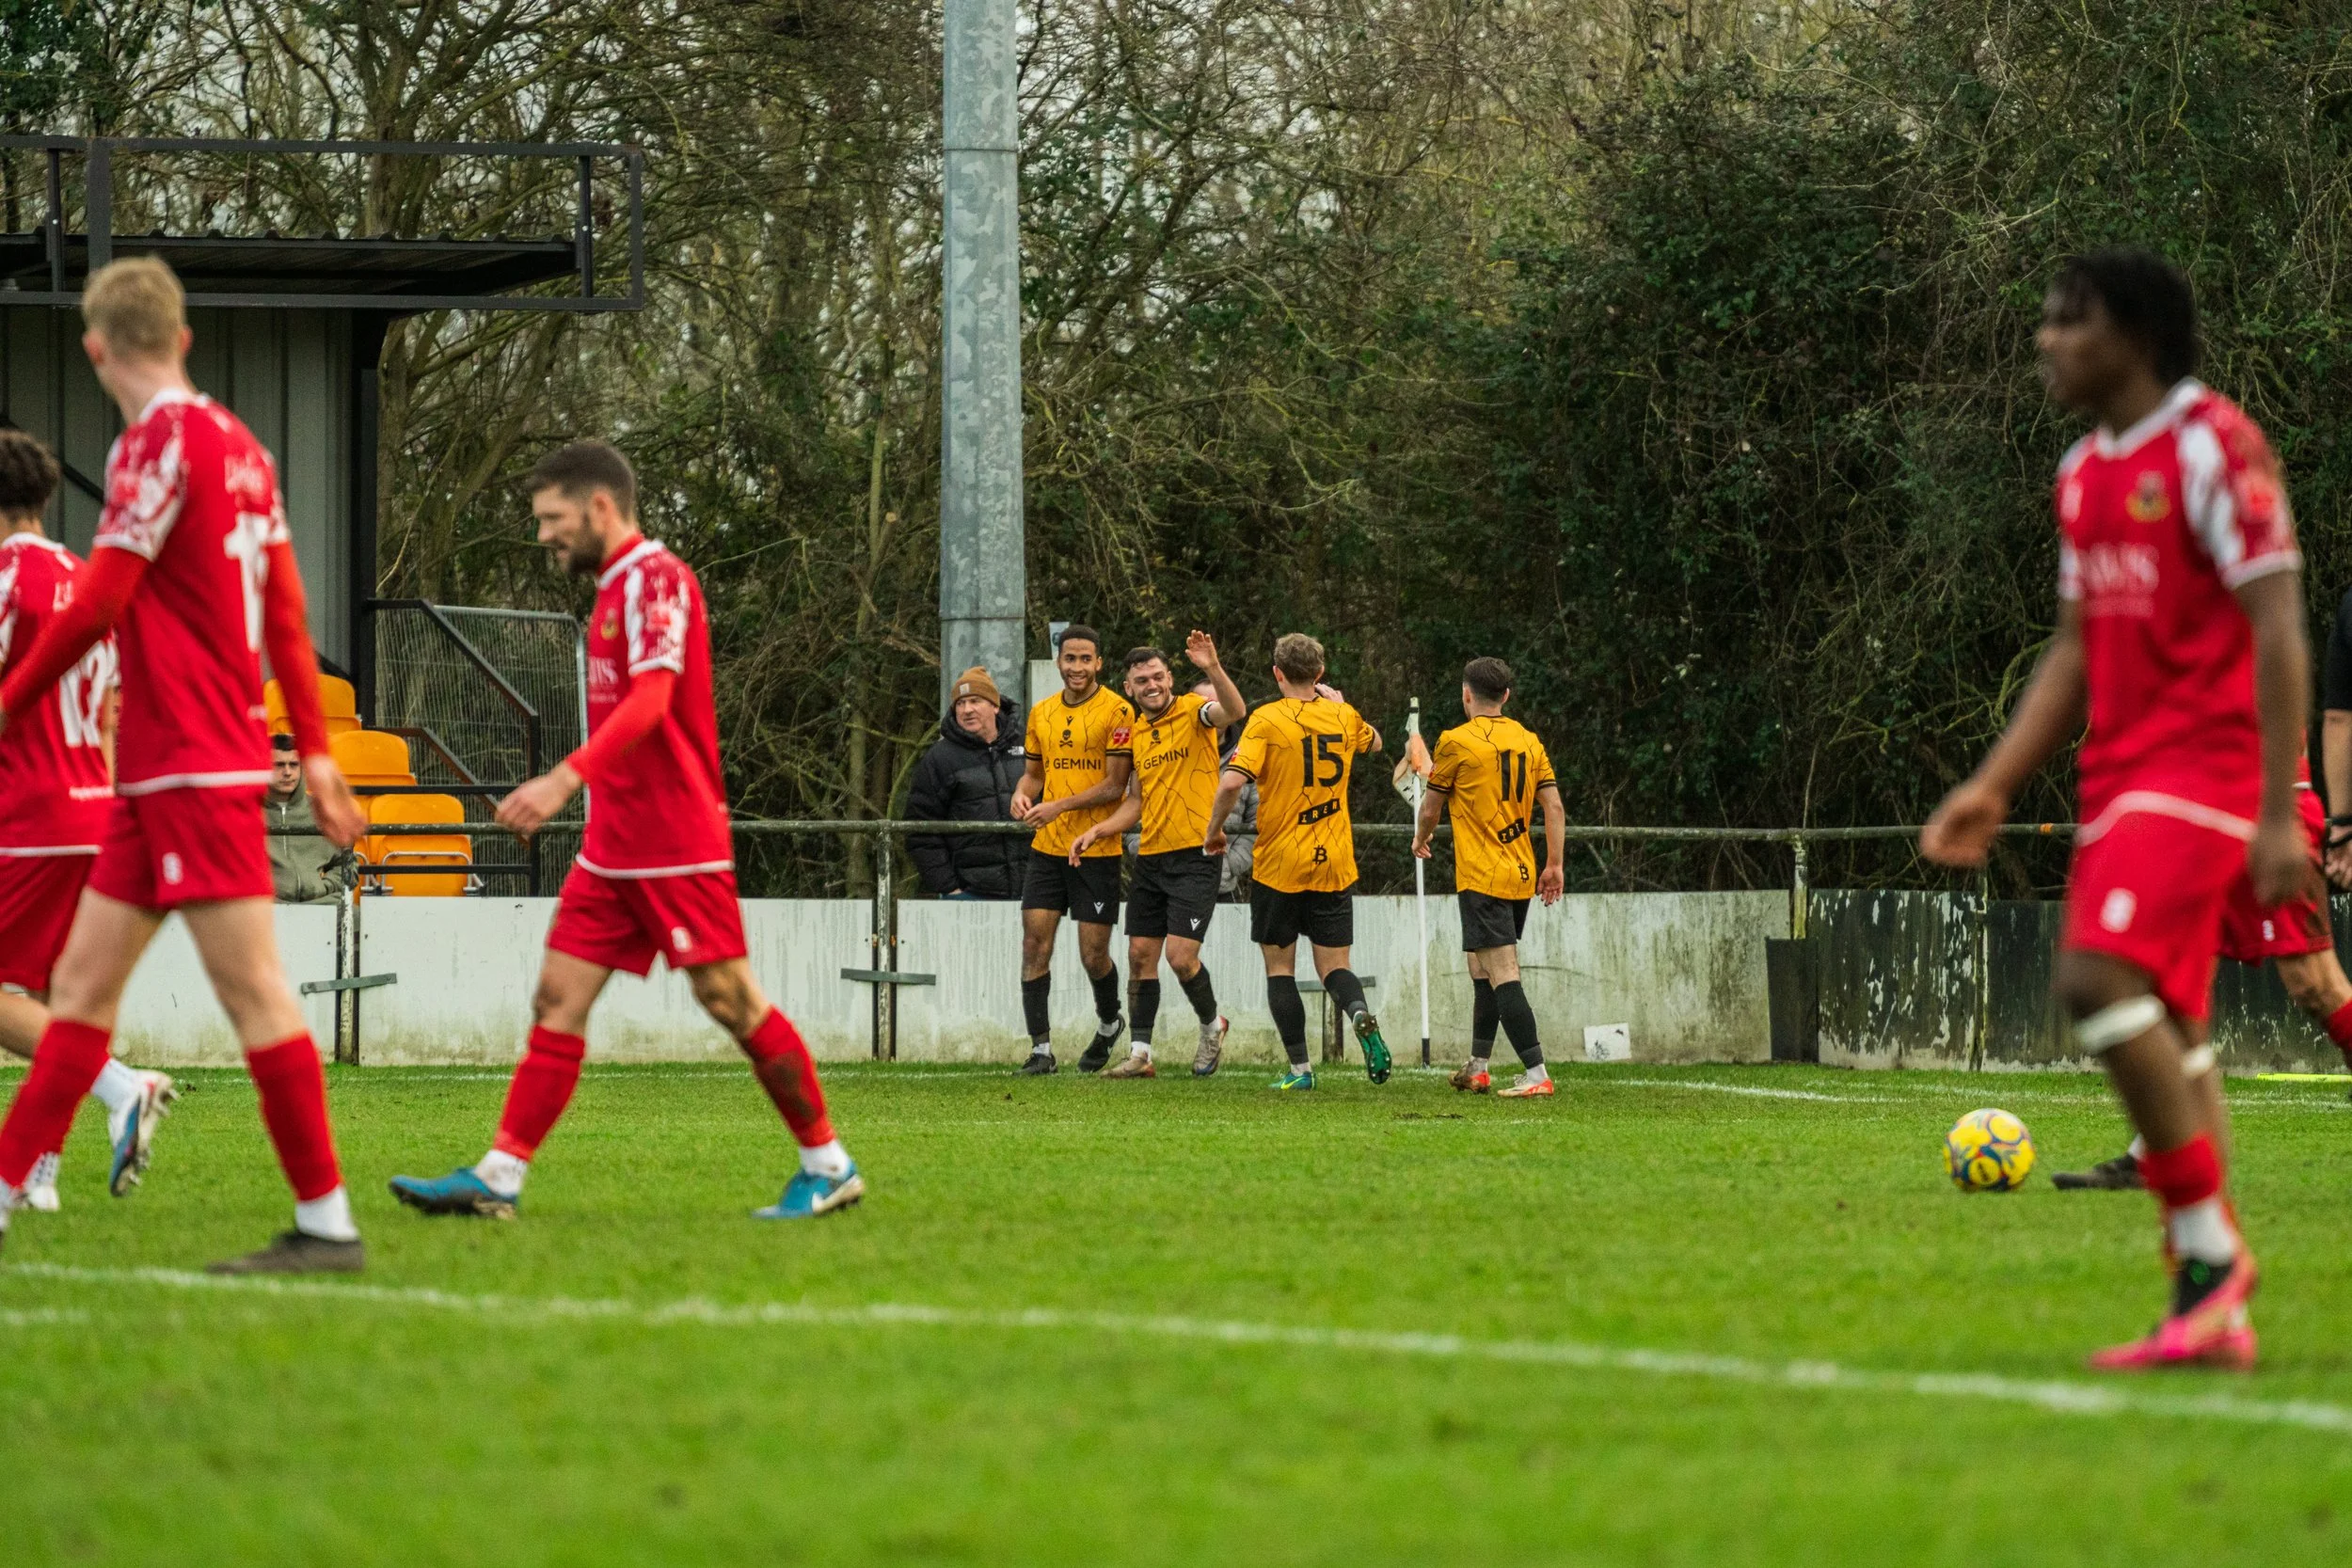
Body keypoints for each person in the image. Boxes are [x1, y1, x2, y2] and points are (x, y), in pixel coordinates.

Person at [1922, 247, 2308, 1370]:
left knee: (2093, 977)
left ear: (2132, 336)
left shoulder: (2211, 445)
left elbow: (2277, 623)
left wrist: (2285, 812)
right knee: (2179, 1036)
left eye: (2068, 322)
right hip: (2120, 777)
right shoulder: (2083, 471)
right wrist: (1993, 783)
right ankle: (2211, 1301)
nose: (2046, 339)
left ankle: (2208, 1259)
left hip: (2209, 769)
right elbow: (2075, 647)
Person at [0, 257, 367, 1272]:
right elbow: (287, 615)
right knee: (76, 991)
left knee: (253, 991)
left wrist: (7, 702)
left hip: (191, 764)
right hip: (152, 773)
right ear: (186, 338)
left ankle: (328, 1222)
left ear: (93, 349)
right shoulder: (242, 446)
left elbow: (101, 603)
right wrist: (323, 753)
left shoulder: (152, 443)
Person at [389, 440, 861, 1221]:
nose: (543, 535)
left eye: (552, 517)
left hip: (675, 837)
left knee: (729, 997)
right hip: (614, 846)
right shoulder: (612, 589)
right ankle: (499, 1175)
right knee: (556, 998)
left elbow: (651, 701)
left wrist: (562, 776)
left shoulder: (657, 579)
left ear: (600, 505)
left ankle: (828, 1161)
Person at [0, 426, 174, 1213]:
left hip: (23, 811)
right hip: (87, 805)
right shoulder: (87, 578)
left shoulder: (8, 580)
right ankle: (41, 1172)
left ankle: (122, 1086)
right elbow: (109, 712)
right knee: (59, 997)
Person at [1204, 633, 1389, 1089]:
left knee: (1280, 968)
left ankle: (1301, 1070)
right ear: (1320, 675)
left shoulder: (1267, 719)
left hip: (1281, 861)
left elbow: (1231, 785)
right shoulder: (1343, 716)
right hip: (1334, 860)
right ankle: (1359, 1012)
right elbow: (1378, 744)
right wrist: (1343, 705)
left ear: (1277, 673)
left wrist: (1213, 832)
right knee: (1335, 967)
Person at [1068, 632, 1248, 1078]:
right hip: (1152, 857)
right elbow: (1135, 800)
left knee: (1181, 959)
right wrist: (1100, 829)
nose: (1151, 684)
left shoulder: (1194, 711)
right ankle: (1141, 1054)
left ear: (1169, 678)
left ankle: (1212, 1026)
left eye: (1157, 676)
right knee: (1139, 956)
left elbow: (1235, 711)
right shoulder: (1135, 733)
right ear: (1128, 687)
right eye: (1141, 679)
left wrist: (1212, 667)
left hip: (1196, 854)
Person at [1410, 657, 1566, 1098]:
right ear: (1506, 697)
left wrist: (1420, 839)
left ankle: (1536, 1072)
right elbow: (1553, 807)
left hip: (1483, 876)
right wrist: (1553, 865)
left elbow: (1431, 807)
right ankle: (1478, 1065)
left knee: (1502, 972)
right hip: (1520, 874)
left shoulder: (1455, 742)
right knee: (1481, 968)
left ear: (1466, 695)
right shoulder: (1528, 740)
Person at [1008, 625, 1135, 1074]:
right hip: (1048, 849)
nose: (1077, 667)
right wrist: (1022, 795)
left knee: (1092, 955)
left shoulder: (1118, 712)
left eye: (1086, 659)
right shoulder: (1041, 713)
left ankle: (1107, 1024)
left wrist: (1057, 805)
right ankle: (1041, 1049)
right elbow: (1033, 775)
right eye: (1070, 659)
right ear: (1058, 662)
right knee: (1033, 945)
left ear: (1099, 663)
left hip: (1096, 850)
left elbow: (1115, 786)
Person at [907, 665, 1026, 899]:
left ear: (994, 705)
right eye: (960, 704)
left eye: (975, 701)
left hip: (1035, 892)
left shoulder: (1031, 743)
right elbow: (919, 828)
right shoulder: (939, 759)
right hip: (971, 892)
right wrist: (950, 887)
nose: (967, 710)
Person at [265, 732, 359, 904]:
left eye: (293, 765)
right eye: (278, 765)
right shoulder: (248, 813)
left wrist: (324, 887)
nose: (287, 772)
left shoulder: (322, 810)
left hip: (318, 902)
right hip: (268, 907)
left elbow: (348, 864)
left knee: (356, 917)